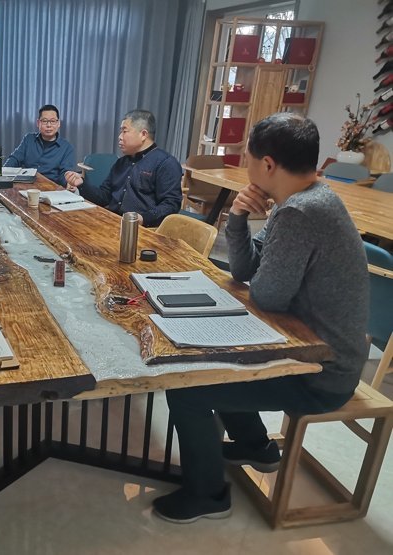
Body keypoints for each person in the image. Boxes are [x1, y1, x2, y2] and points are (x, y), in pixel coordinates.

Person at [151, 113, 369, 524]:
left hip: (320, 372)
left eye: (248, 159)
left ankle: (209, 495)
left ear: (267, 164)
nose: (245, 166)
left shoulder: (301, 213)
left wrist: (254, 233)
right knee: (216, 362)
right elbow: (244, 270)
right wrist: (237, 218)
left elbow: (266, 295)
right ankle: (256, 446)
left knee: (186, 388)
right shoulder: (307, 200)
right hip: (310, 348)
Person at [64, 110, 182, 227]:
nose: (120, 137)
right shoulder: (121, 162)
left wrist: (144, 218)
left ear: (143, 134)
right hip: (112, 221)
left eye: (124, 131)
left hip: (142, 228)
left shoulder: (165, 163)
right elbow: (103, 197)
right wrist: (82, 184)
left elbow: (171, 204)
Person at [3, 104, 76, 185]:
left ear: (58, 123)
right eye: (44, 121)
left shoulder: (67, 148)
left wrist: (68, 182)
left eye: (52, 121)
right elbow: (14, 159)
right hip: (26, 185)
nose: (49, 125)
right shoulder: (28, 139)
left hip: (51, 188)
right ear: (38, 123)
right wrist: (3, 173)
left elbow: (64, 173)